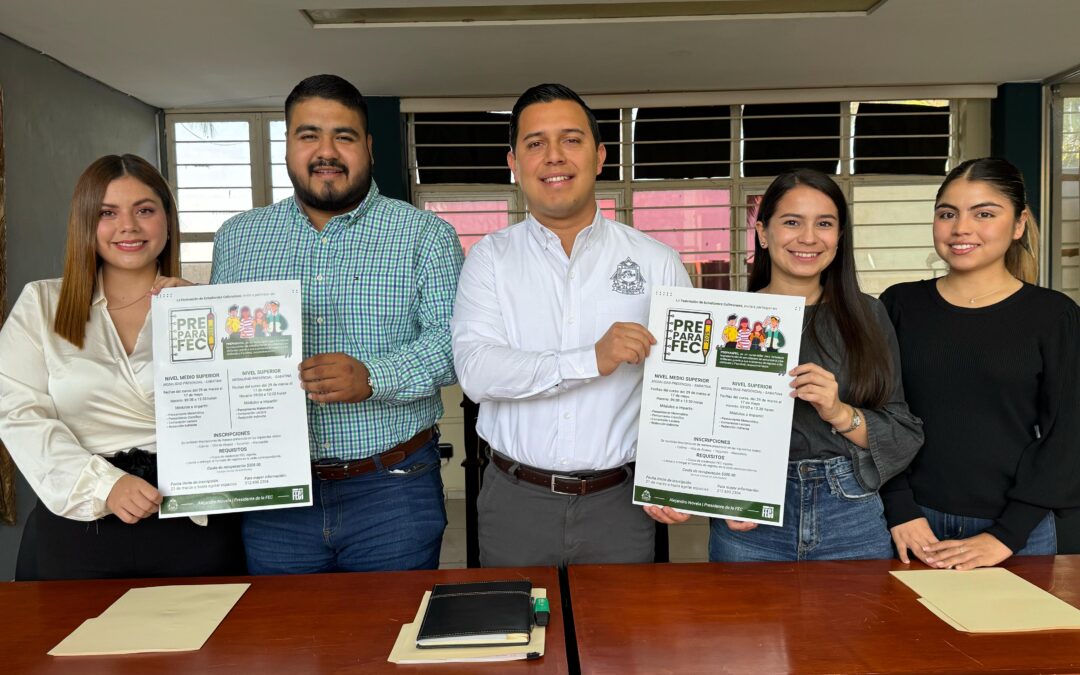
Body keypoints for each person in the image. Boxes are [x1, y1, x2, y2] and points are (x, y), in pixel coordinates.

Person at [210, 74, 463, 574]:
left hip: (393, 489)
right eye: (309, 135)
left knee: (394, 623)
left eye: (343, 136)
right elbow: (222, 356)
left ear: (368, 147)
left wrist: (373, 377)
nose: (326, 152)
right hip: (275, 496)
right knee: (288, 626)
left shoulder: (425, 235)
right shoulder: (237, 239)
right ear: (287, 145)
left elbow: (454, 343)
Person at [452, 83, 692, 568]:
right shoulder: (489, 259)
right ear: (514, 163)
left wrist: (683, 478)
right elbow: (477, 373)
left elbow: (687, 386)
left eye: (571, 139)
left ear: (600, 156)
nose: (554, 156)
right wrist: (591, 359)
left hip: (619, 505)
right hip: (515, 501)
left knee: (621, 622)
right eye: (535, 143)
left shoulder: (657, 262)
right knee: (517, 618)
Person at [647, 168, 923, 562]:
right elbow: (692, 424)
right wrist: (681, 490)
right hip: (748, 518)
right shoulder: (725, 319)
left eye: (824, 223)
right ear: (762, 233)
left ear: (839, 236)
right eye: (792, 222)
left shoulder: (869, 316)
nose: (808, 237)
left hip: (850, 516)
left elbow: (903, 433)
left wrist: (839, 412)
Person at [0, 154, 246, 580]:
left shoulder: (210, 307)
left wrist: (204, 315)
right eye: (107, 213)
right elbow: (17, 413)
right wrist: (105, 485)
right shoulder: (42, 304)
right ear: (84, 222)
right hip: (79, 522)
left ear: (167, 220)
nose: (128, 226)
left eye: (144, 210)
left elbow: (242, 413)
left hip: (194, 519)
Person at [880, 157, 1079, 570]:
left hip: (1015, 533)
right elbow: (876, 413)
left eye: (984, 214)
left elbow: (1069, 434)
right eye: (947, 214)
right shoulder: (899, 304)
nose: (961, 228)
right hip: (908, 527)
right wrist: (899, 507)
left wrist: (1006, 535)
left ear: (1019, 224)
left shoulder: (1053, 315)